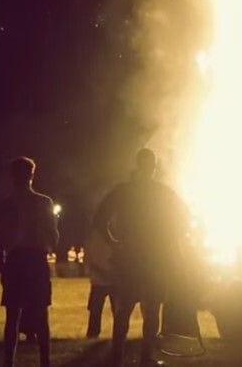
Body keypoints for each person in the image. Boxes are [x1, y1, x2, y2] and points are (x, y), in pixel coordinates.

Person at [95, 148, 188, 366]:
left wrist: (114, 242)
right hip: (153, 259)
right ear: (153, 167)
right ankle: (146, 356)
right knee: (152, 309)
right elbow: (183, 219)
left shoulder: (124, 191)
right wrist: (169, 239)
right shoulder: (162, 192)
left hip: (130, 257)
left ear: (137, 165)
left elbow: (100, 219)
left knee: (123, 309)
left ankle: (117, 355)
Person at [0, 157, 59, 367]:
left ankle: (8, 362)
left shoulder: (5, 204)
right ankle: (45, 361)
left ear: (12, 176)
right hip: (35, 260)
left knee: (12, 316)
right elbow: (54, 238)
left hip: (14, 261)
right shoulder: (43, 202)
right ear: (32, 175)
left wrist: (2, 266)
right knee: (41, 314)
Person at [85, 225, 115, 339]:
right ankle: (93, 333)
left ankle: (93, 334)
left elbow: (89, 257)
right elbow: (89, 257)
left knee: (96, 310)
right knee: (96, 310)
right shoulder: (96, 235)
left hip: (107, 278)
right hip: (105, 278)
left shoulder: (94, 235)